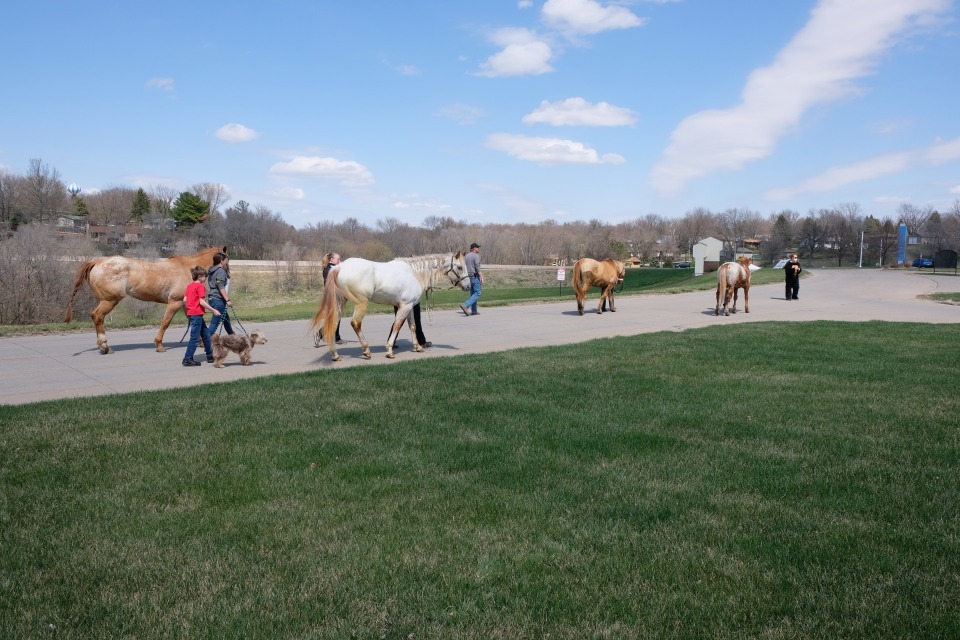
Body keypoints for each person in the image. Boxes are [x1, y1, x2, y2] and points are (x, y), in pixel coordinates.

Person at [182, 265, 221, 366]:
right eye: (205, 276)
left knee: (206, 335)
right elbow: (201, 301)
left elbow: (185, 300)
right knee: (194, 338)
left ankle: (209, 355)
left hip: (193, 314)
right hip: (196, 315)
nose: (205, 278)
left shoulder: (189, 286)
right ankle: (187, 358)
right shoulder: (200, 286)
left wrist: (190, 309)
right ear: (200, 276)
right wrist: (213, 310)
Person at [318, 252, 344, 345]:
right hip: (330, 296)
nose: (339, 261)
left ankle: (327, 335)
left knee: (337, 317)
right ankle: (327, 335)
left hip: (335, 295)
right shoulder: (328, 269)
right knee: (335, 317)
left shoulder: (333, 268)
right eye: (338, 259)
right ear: (332, 259)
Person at [206, 252, 233, 337]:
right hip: (218, 300)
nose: (227, 261)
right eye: (226, 260)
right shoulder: (220, 271)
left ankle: (233, 337)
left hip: (212, 298)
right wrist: (227, 300)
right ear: (221, 261)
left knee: (226, 320)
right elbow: (221, 286)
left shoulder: (212, 270)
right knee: (215, 323)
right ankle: (206, 340)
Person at [460, 242, 483, 317]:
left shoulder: (466, 256)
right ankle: (466, 305)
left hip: (468, 276)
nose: (478, 249)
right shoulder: (476, 256)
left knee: (473, 293)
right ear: (474, 248)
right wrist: (481, 277)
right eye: (477, 247)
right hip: (474, 275)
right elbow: (477, 267)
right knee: (478, 293)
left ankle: (474, 311)